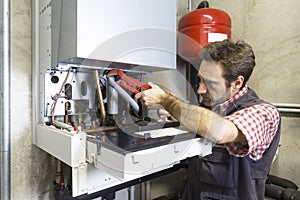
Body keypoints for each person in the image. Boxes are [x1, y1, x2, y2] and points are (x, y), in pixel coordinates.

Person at [135, 40, 281, 200]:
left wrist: (166, 101)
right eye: (201, 80)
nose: (200, 89)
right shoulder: (211, 106)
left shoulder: (264, 114)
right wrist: (170, 109)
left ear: (237, 83)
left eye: (210, 83)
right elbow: (199, 119)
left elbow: (218, 131)